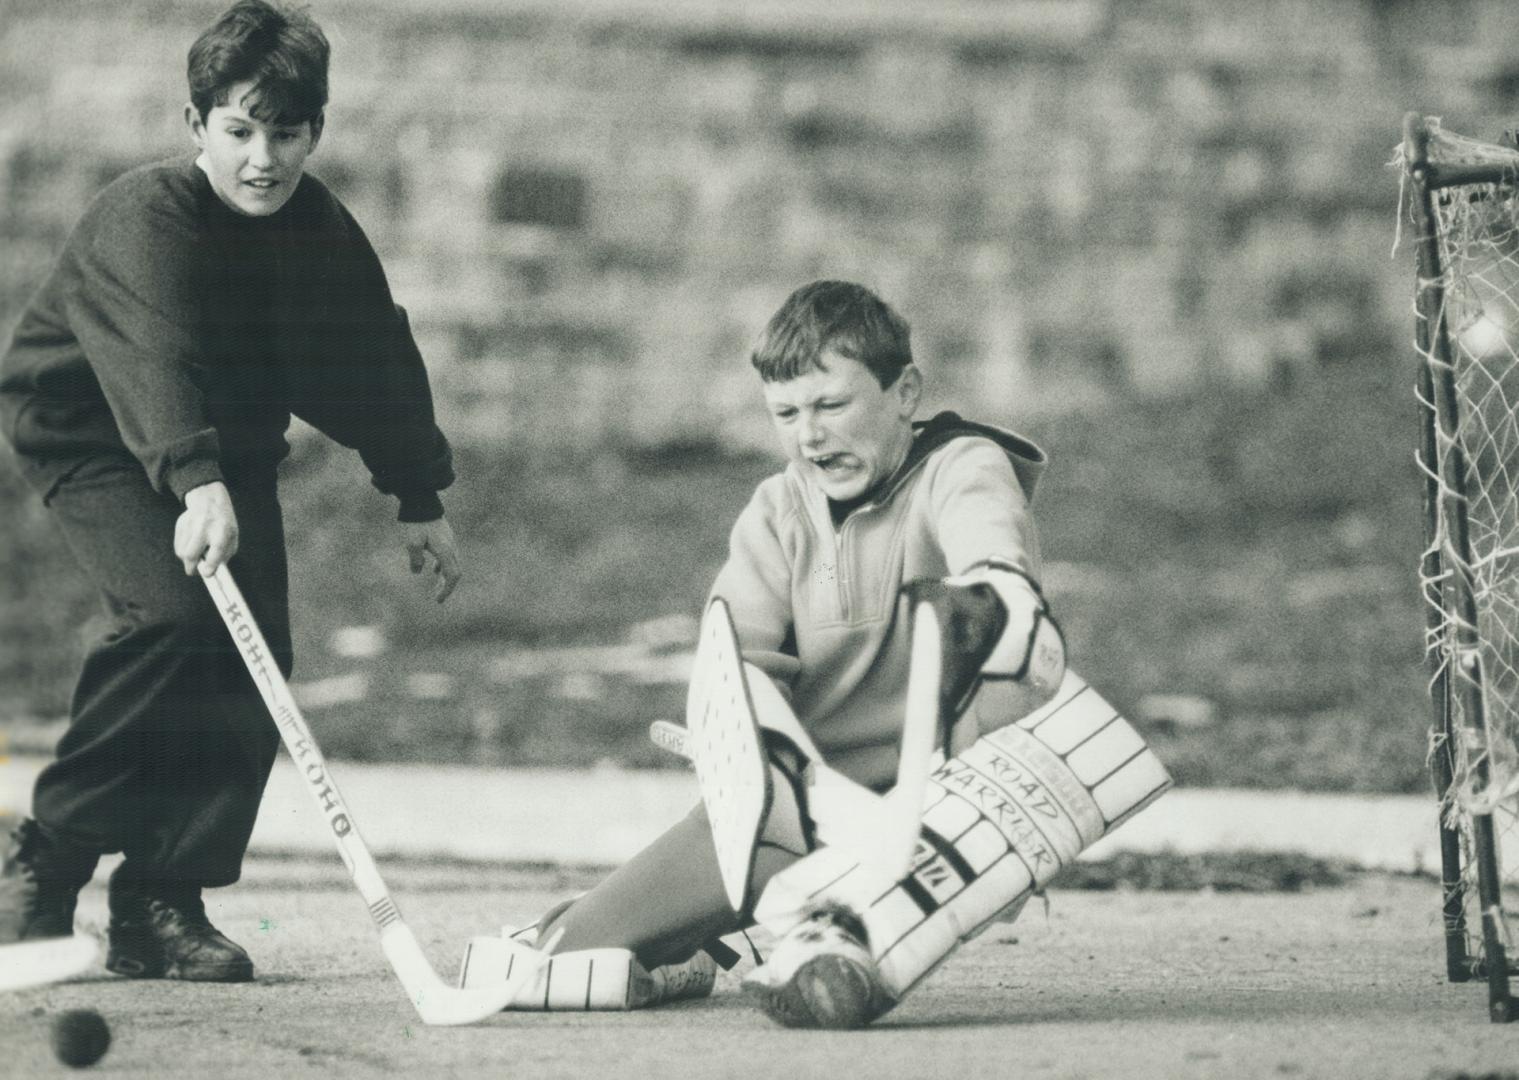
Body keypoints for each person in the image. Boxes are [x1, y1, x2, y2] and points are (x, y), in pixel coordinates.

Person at [459, 280, 1170, 1026]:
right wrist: (759, 761)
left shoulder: (961, 465)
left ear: (904, 393)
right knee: (562, 962)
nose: (809, 434)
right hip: (795, 802)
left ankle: (828, 937)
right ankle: (706, 946)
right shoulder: (776, 512)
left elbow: (990, 553)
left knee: (839, 963)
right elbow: (738, 666)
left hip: (941, 809)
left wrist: (995, 596)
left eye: (831, 406)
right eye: (786, 414)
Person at [0, 0, 462, 984]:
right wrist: (194, 480)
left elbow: (373, 356)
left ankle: (160, 899)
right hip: (98, 436)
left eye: (286, 134)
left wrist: (417, 493)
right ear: (196, 124)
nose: (263, 158)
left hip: (221, 450)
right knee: (172, 619)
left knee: (255, 650)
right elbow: (152, 358)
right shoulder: (146, 216)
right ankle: (44, 862)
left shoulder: (319, 231)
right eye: (240, 130)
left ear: (315, 134)